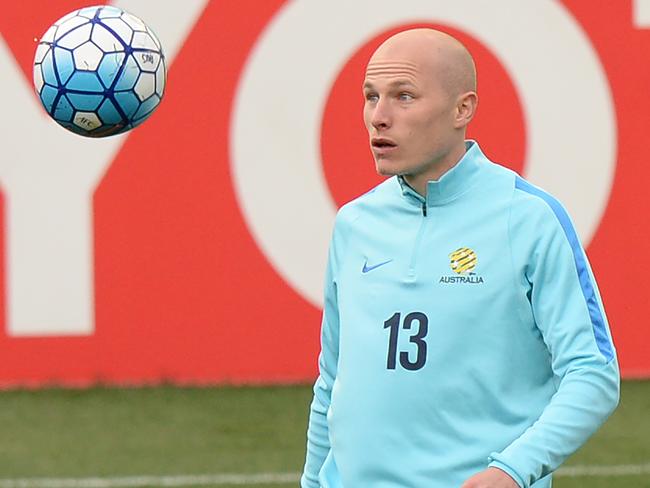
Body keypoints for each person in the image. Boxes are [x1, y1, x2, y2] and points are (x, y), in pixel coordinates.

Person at [300, 28, 620, 488]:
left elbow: (593, 374)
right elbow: (332, 380)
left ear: (462, 109)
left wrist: (511, 471)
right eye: (371, 97)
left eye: (403, 96)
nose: (379, 117)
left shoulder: (528, 219)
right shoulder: (354, 223)